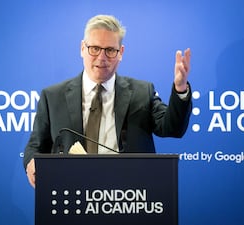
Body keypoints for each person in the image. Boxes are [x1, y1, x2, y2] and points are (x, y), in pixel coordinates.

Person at [24, 14, 192, 188]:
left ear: (121, 53)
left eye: (110, 50)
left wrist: (180, 88)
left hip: (130, 197)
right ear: (82, 48)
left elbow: (172, 128)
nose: (101, 58)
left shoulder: (142, 92)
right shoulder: (52, 96)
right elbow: (35, 146)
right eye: (94, 48)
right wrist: (31, 162)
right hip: (71, 192)